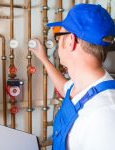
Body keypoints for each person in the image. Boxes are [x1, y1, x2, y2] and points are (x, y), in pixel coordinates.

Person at [29, 3, 115, 150]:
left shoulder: (104, 115)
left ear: (70, 41)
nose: (58, 43)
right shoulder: (84, 86)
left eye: (58, 37)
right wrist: (43, 58)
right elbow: (64, 88)